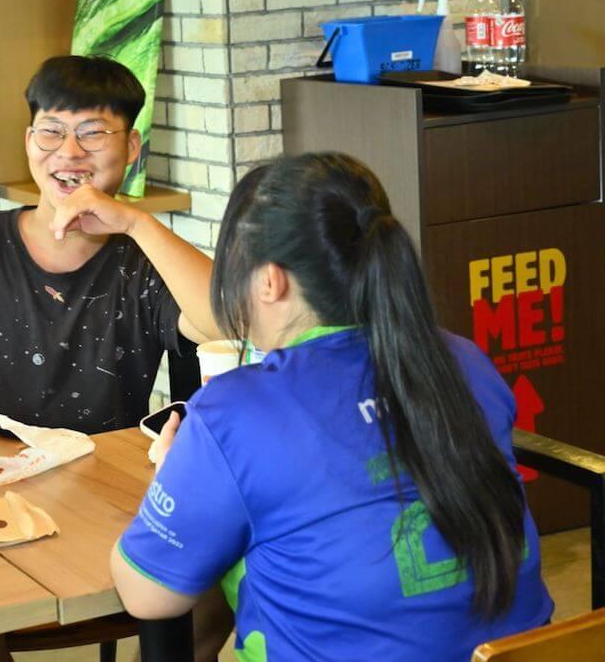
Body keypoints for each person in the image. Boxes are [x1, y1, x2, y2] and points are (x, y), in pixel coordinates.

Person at [110, 153, 554, 660]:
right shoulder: (462, 359)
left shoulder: (236, 411)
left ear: (270, 280)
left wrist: (175, 472)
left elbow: (147, 595)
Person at [0, 55, 233, 662]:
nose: (70, 152)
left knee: (211, 599)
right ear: (28, 141)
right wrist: (8, 459)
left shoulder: (142, 260)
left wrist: (137, 224)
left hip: (110, 499)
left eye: (93, 133)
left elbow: (229, 324)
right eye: (52, 132)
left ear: (131, 148)